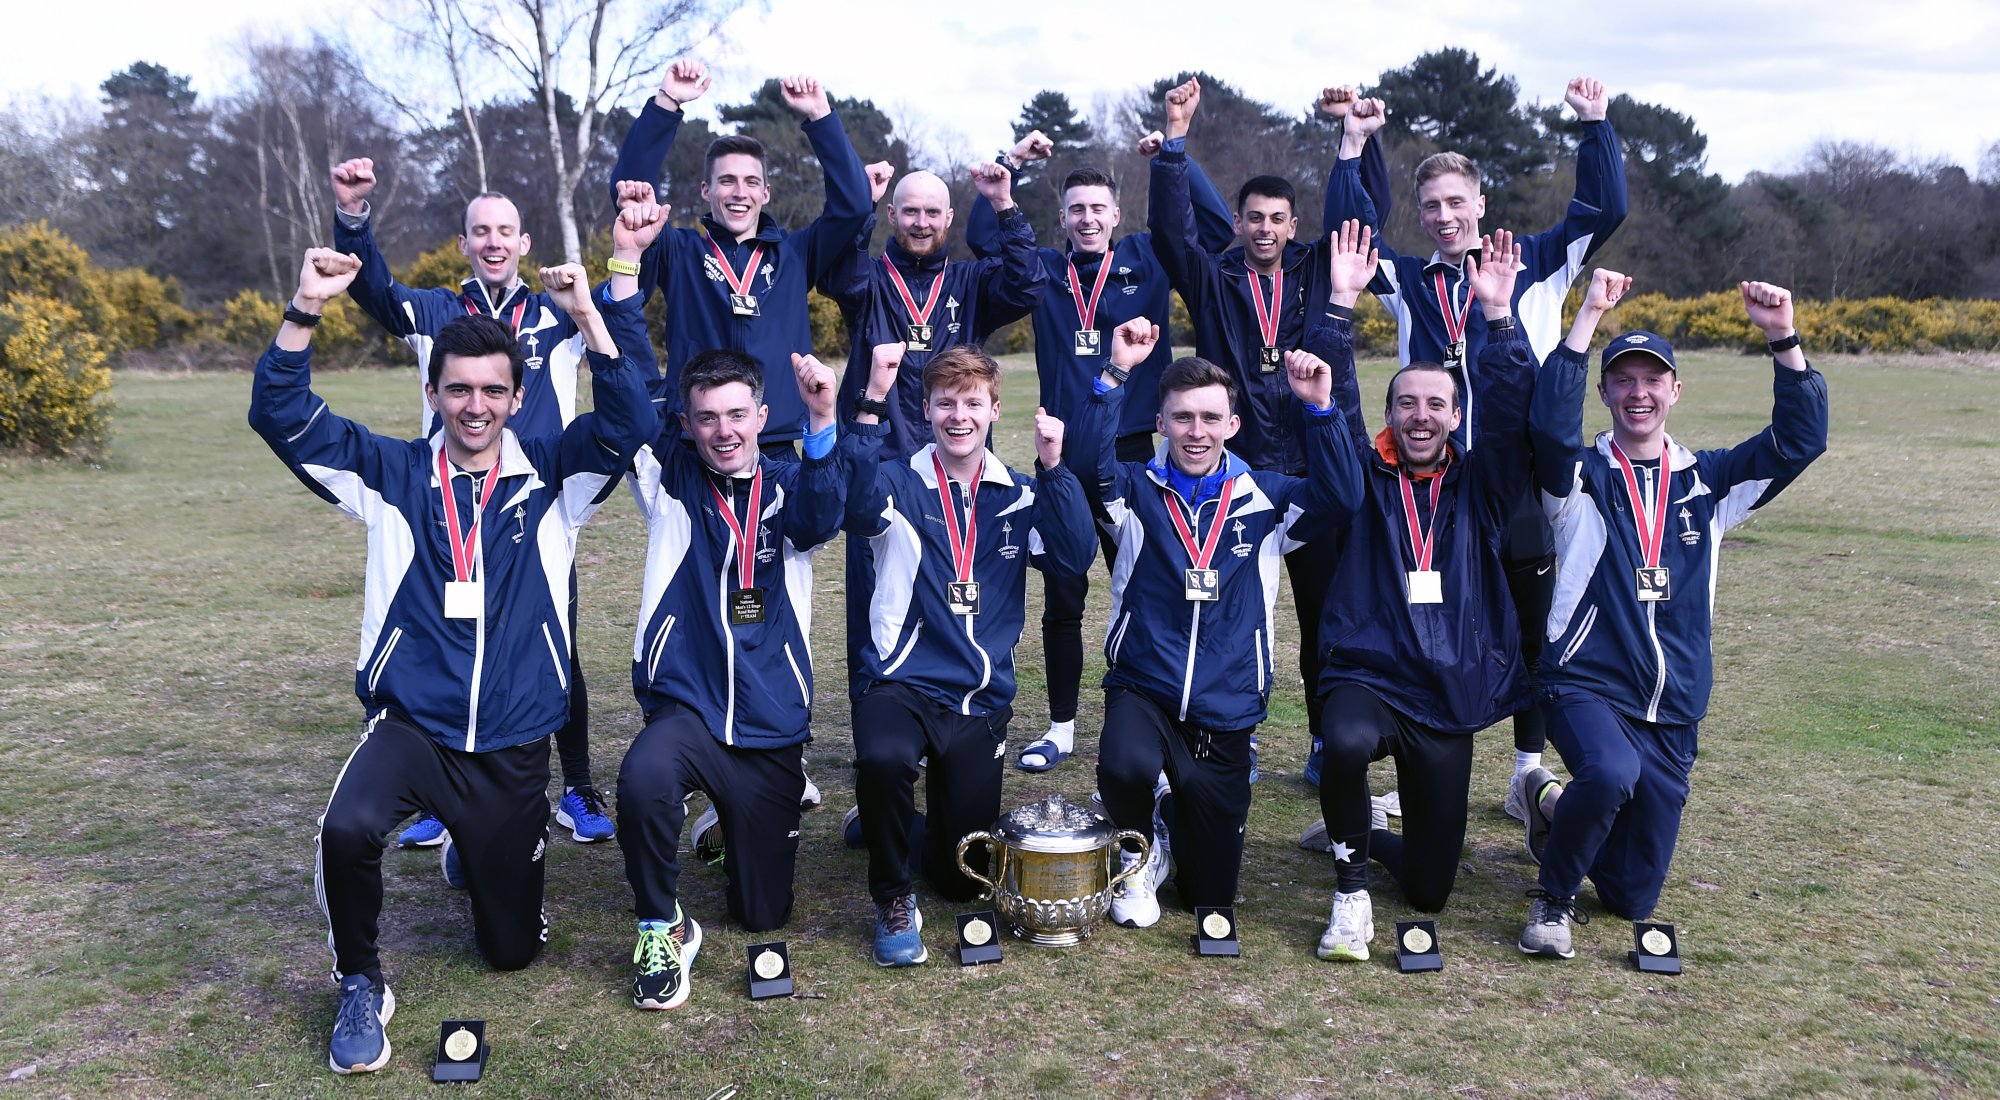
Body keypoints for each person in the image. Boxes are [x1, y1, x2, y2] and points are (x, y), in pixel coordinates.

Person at [248, 215, 655, 1072]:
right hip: (416, 730)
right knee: (349, 827)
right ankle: (361, 980)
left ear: (516, 397)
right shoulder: (392, 475)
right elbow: (279, 414)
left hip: (511, 745)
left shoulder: (554, 478)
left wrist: (589, 317)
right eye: (459, 390)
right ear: (434, 394)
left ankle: (483, 851)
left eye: (492, 392)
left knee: (510, 953)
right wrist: (304, 309)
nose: (475, 407)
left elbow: (629, 417)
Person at [1324, 79, 1628, 809]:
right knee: (1418, 618)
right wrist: (1354, 144)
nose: (1443, 216)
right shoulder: (1405, 280)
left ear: (1481, 205)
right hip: (1430, 482)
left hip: (1514, 478)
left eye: (1457, 202)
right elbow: (1349, 236)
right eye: (1430, 206)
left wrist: (1595, 124)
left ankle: (1526, 770)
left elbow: (1605, 209)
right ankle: (1405, 761)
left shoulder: (1538, 259)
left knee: (1529, 623)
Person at [1517, 278, 1827, 959]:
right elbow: (1547, 425)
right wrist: (1588, 317)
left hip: (1675, 705)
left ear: (1675, 392)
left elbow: (1799, 442)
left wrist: (1782, 335)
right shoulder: (1578, 479)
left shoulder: (1709, 483)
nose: (1637, 394)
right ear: (1604, 393)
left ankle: (1548, 809)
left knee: (1631, 897)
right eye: (1621, 380)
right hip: (1585, 683)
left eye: (1652, 381)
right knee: (1608, 773)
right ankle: (1550, 902)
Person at [329, 157, 618, 847]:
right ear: (463, 243)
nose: (492, 241)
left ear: (524, 242)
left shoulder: (559, 310)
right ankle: (438, 791)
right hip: (446, 508)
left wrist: (627, 257)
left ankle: (575, 787)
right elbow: (370, 288)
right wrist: (352, 219)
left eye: (505, 231)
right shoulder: (434, 309)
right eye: (479, 230)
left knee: (555, 645)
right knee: (446, 641)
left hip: (538, 505)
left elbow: (625, 326)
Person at [961, 128, 1236, 773]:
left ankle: (1158, 718)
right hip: (1065, 452)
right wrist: (1011, 164)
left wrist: (1177, 159)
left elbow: (1215, 231)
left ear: (1117, 215)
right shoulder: (1044, 270)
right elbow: (982, 236)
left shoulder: (1147, 254)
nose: (1087, 219)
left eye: (1098, 209)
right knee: (1064, 595)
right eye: (1076, 209)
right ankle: (1060, 727)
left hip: (1139, 450)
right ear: (1062, 218)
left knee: (1151, 589)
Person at [1302, 222, 1536, 962]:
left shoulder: (1485, 485)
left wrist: (1498, 320)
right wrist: (1339, 307)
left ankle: (1364, 835)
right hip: (1368, 671)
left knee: (1432, 891)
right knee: (1341, 743)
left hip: (1450, 689)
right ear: (1391, 413)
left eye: (1438, 404)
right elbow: (1330, 409)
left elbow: (1512, 413)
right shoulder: (1362, 480)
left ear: (1455, 415)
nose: (1423, 416)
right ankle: (1349, 891)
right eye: (1408, 404)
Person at [1147, 78, 1391, 782]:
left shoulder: (1320, 269)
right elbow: (1170, 231)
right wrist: (1173, 144)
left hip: (1317, 462)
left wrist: (1354, 144)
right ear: (1241, 222)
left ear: (1291, 225)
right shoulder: (1214, 277)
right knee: (1230, 611)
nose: (1263, 229)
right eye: (1253, 217)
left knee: (1326, 614)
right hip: (1242, 470)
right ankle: (1233, 734)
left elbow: (1360, 226)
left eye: (1277, 219)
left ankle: (1324, 739)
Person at [1083, 318, 1360, 928]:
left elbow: (1342, 498)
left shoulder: (1267, 497)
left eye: (1210, 418)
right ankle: (1139, 851)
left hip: (1227, 698)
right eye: (1182, 417)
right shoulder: (1133, 490)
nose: (1196, 431)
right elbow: (1085, 462)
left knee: (1209, 896)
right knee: (1123, 764)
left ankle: (1173, 810)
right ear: (1160, 424)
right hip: (1145, 683)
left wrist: (1320, 409)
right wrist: (1115, 373)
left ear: (1232, 426)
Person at [838, 340, 1096, 966]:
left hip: (978, 698)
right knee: (883, 758)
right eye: (946, 403)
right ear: (926, 410)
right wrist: (870, 408)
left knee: (960, 876)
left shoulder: (1019, 493)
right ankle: (893, 899)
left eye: (972, 403)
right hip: (901, 683)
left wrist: (1056, 468)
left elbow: (1074, 556)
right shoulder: (898, 480)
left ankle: (882, 824)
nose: (959, 416)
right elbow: (854, 504)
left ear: (994, 410)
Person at [615, 333, 847, 1009]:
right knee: (643, 778)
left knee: (762, 914)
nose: (724, 431)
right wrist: (623, 287)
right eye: (707, 418)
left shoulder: (792, 483)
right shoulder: (671, 481)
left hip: (771, 716)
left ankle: (723, 823)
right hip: (688, 706)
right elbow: (631, 403)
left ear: (763, 415)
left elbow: (823, 516)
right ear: (686, 424)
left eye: (737, 415)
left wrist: (825, 422)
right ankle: (664, 925)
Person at [608, 58, 870, 465]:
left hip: (776, 445)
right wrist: (667, 103)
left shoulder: (795, 254)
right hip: (696, 443)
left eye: (750, 182)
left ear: (766, 192)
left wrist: (821, 115)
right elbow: (630, 194)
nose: (738, 192)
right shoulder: (680, 251)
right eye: (726, 181)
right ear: (705, 189)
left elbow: (853, 206)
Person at [819, 159, 1045, 458]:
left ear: (949, 217)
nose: (922, 223)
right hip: (880, 460)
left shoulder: (972, 282)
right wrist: (862, 206)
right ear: (891, 214)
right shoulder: (869, 281)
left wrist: (1004, 206)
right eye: (911, 211)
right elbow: (835, 274)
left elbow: (1026, 287)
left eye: (932, 213)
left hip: (956, 459)